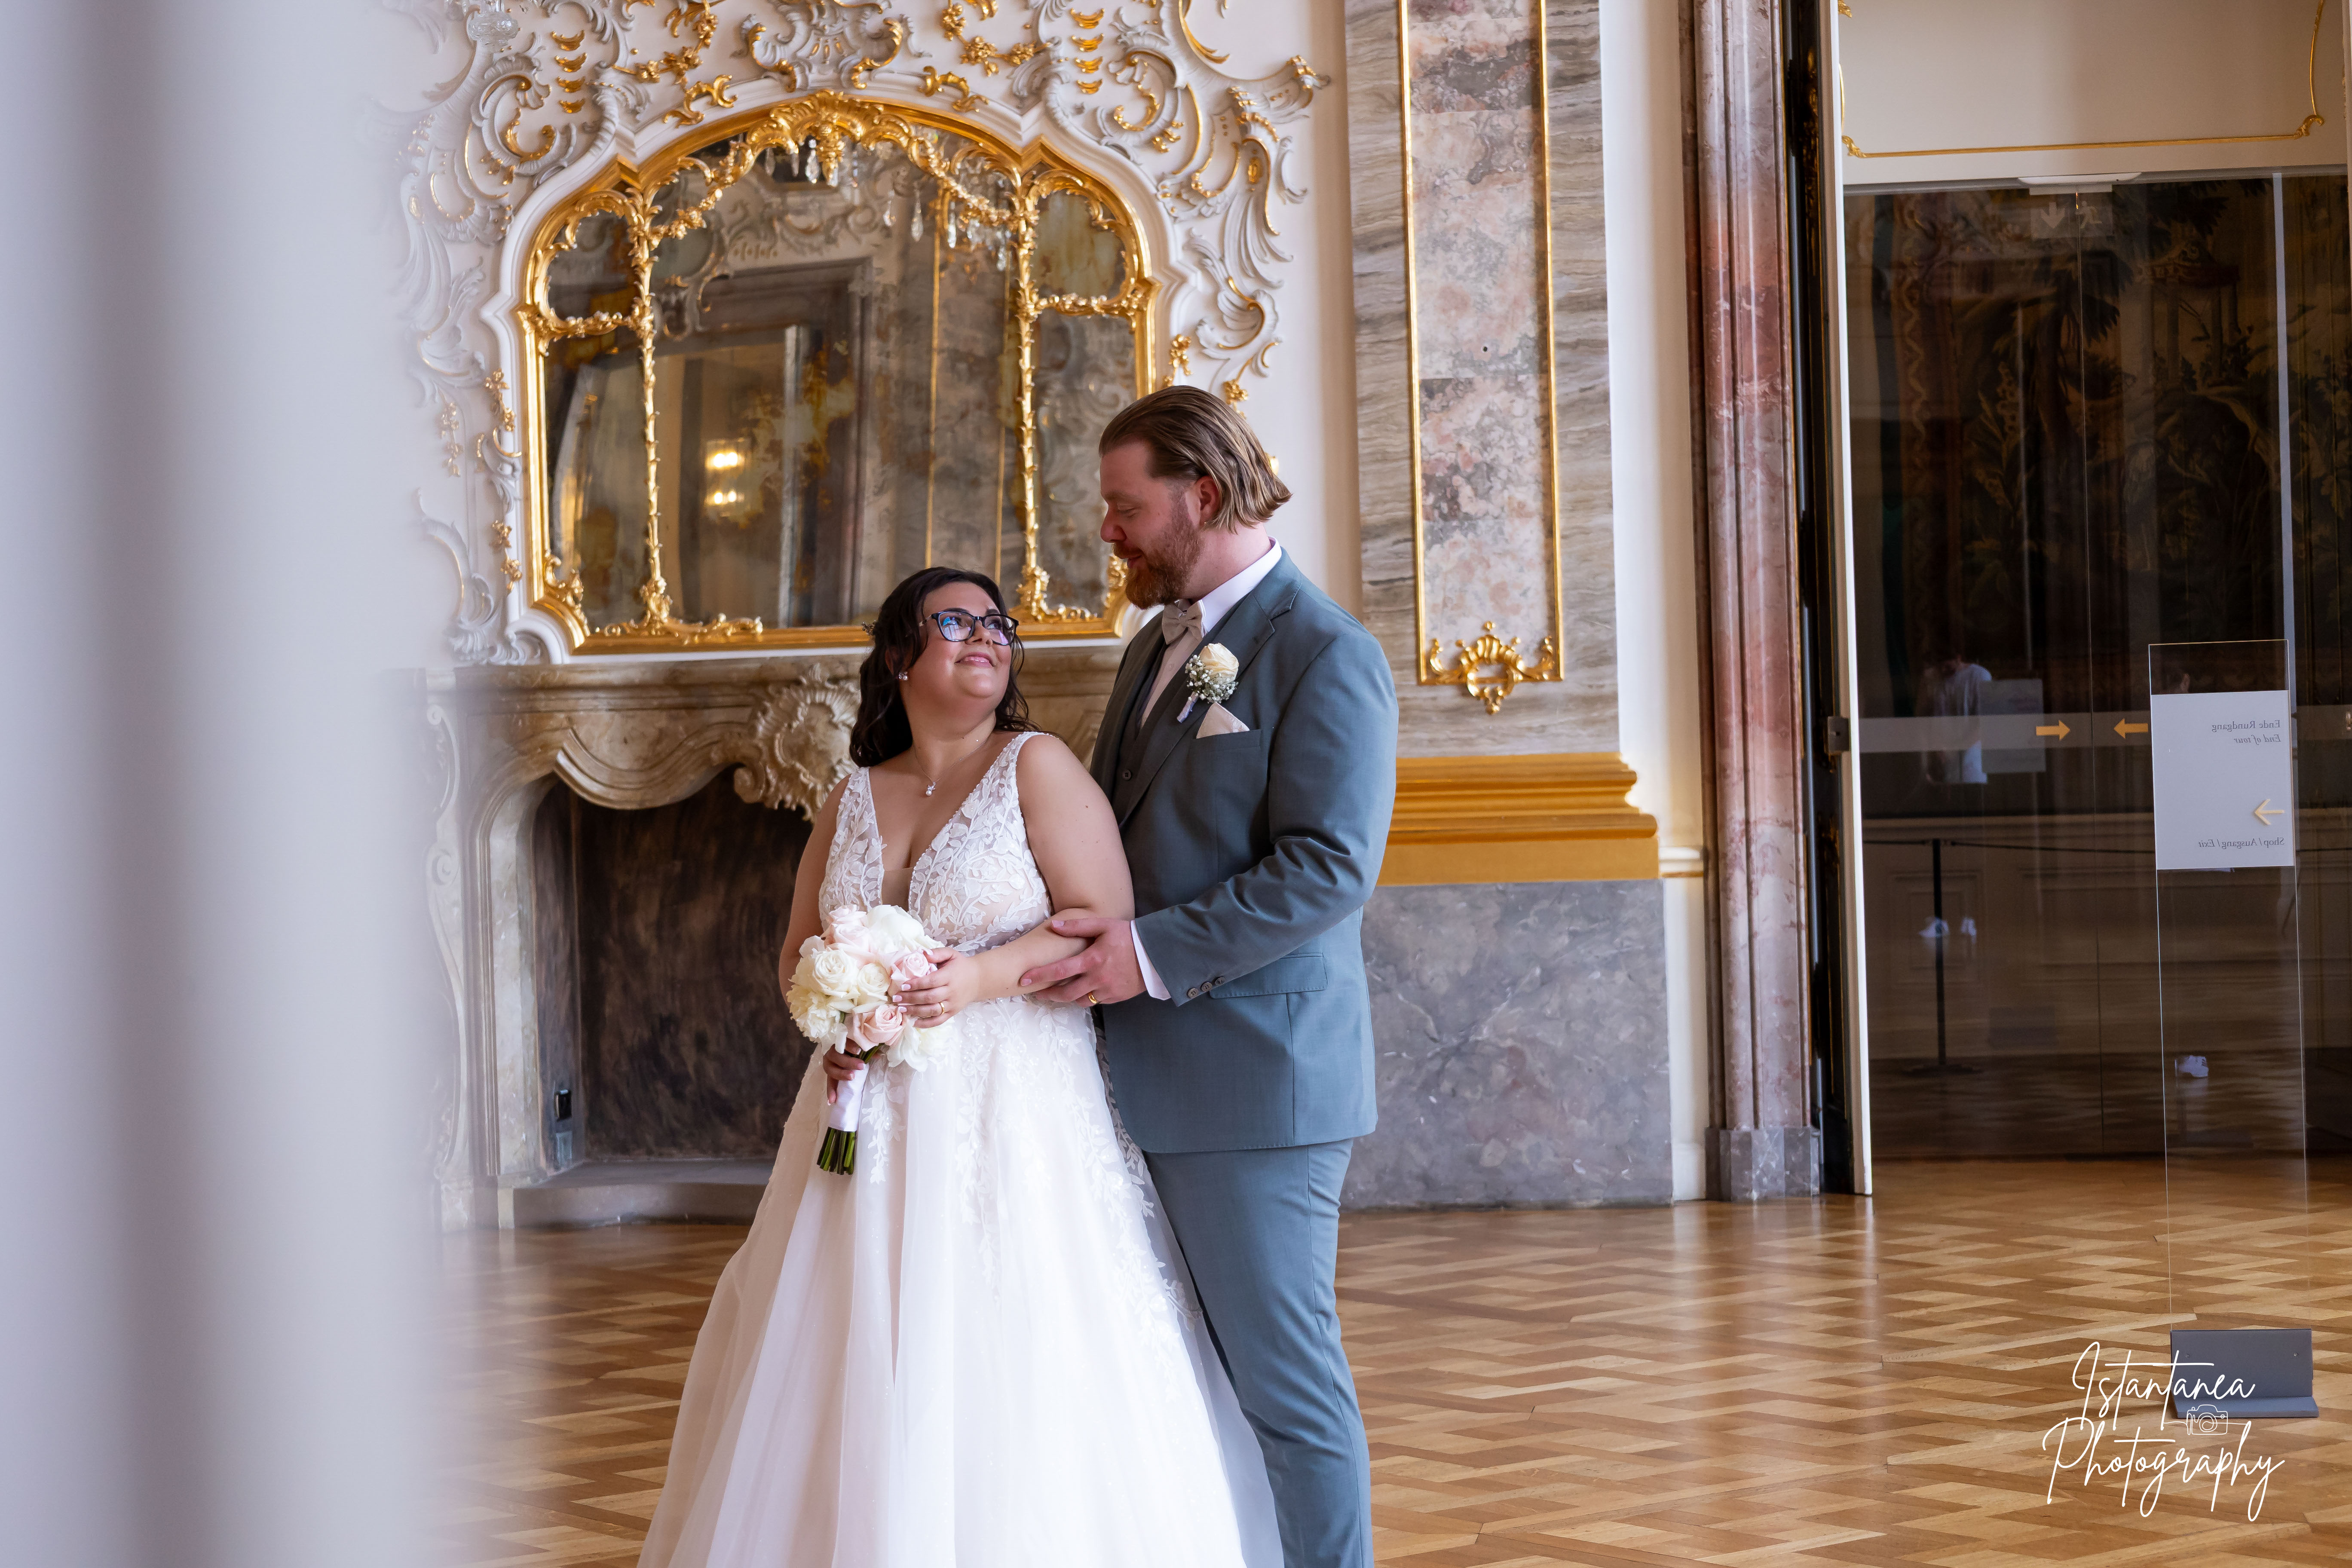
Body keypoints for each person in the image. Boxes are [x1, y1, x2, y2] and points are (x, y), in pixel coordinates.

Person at [636, 565, 1280, 1568]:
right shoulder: (851, 796)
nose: (988, 637)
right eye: (957, 622)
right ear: (901, 654)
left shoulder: (1038, 769)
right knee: (841, 1332)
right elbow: (798, 949)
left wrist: (981, 977)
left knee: (1001, 1324)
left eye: (999, 623)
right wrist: (833, 1007)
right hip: (859, 1109)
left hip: (1009, 1104)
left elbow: (1103, 931)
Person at [929, 385, 1400, 1567]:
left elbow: (1329, 869)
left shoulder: (1326, 650)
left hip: (1255, 1080)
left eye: (1125, 506)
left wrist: (1144, 956)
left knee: (1286, 1386)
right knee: (1185, 1373)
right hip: (1138, 1074)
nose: (1109, 531)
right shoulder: (1157, 646)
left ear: (1201, 494)